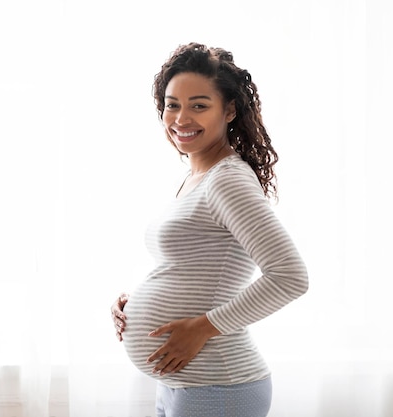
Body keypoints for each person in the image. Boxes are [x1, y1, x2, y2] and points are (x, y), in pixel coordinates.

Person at [109, 43, 309, 417]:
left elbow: (290, 277)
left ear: (229, 110)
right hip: (187, 384)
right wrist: (133, 305)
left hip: (218, 386)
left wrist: (202, 327)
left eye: (199, 105)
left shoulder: (227, 181)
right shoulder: (197, 177)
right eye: (172, 104)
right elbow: (196, 269)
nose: (181, 118)